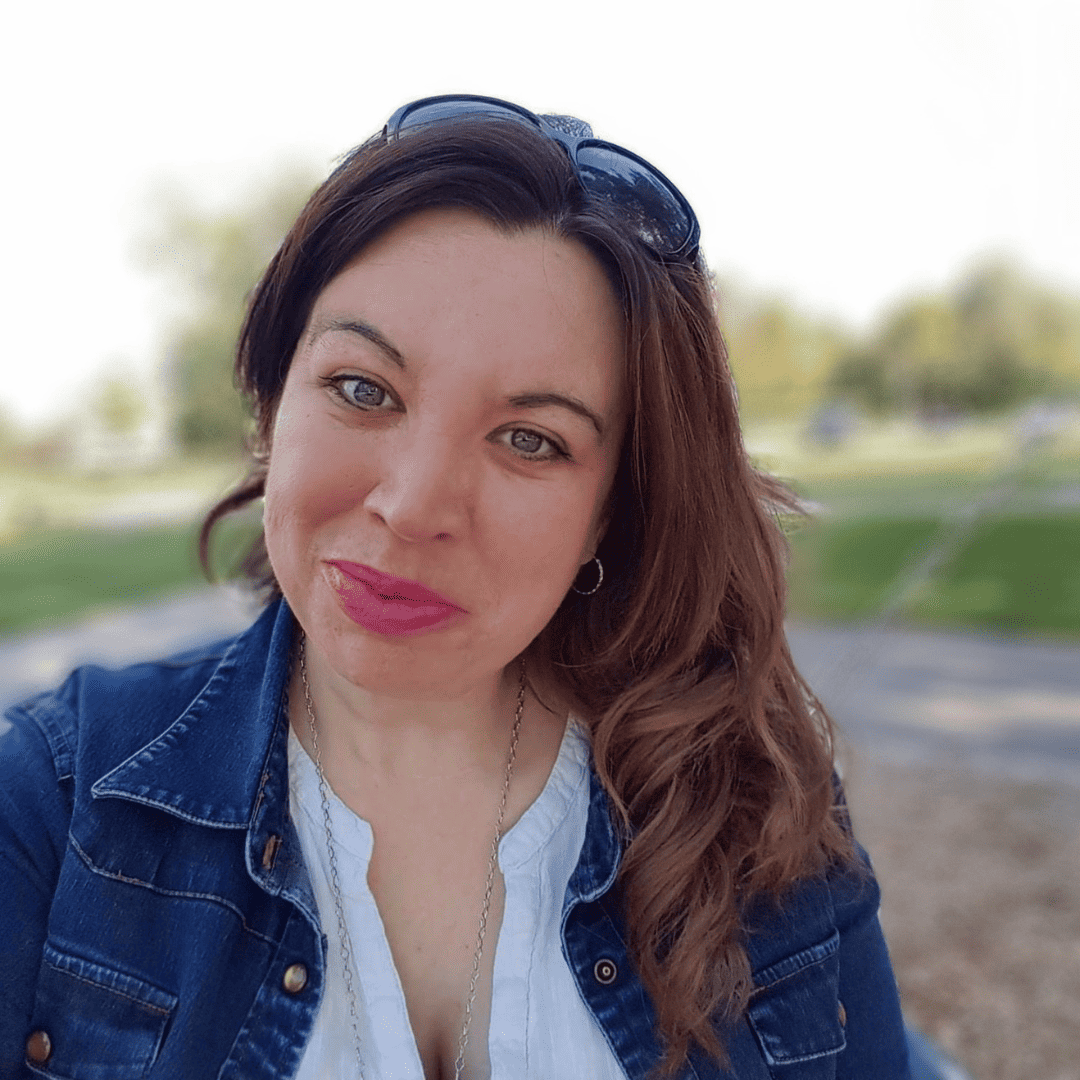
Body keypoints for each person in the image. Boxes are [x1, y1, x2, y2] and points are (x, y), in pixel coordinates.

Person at [0, 96, 911, 1079]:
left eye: (531, 440)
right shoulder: (57, 799)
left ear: (614, 509)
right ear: (273, 400)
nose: (413, 504)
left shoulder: (751, 815)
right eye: (362, 389)